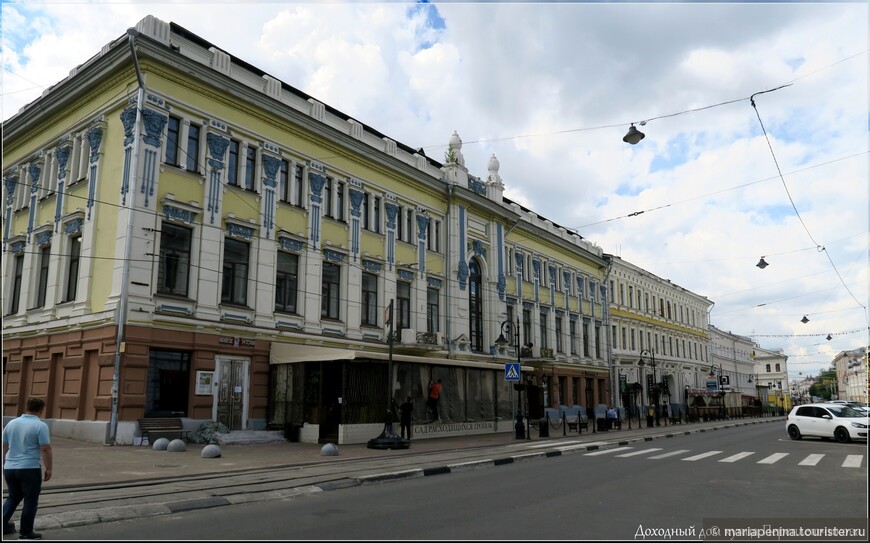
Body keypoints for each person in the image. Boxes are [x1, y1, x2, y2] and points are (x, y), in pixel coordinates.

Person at [3, 398, 52, 540]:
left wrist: (3, 464)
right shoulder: (40, 425)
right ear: (41, 410)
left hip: (10, 467)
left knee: (13, 497)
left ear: (27, 407)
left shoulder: (11, 423)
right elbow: (46, 449)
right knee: (30, 500)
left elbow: (4, 445)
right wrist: (48, 468)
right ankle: (26, 533)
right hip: (29, 468)